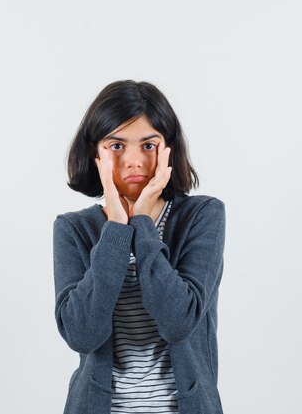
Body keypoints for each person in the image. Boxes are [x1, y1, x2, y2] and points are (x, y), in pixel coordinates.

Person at [52, 80, 226, 414]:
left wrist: (142, 226)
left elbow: (178, 321)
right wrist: (117, 228)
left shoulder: (202, 216)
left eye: (148, 146)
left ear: (168, 150)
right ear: (95, 153)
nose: (133, 160)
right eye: (116, 146)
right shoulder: (73, 229)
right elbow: (81, 333)